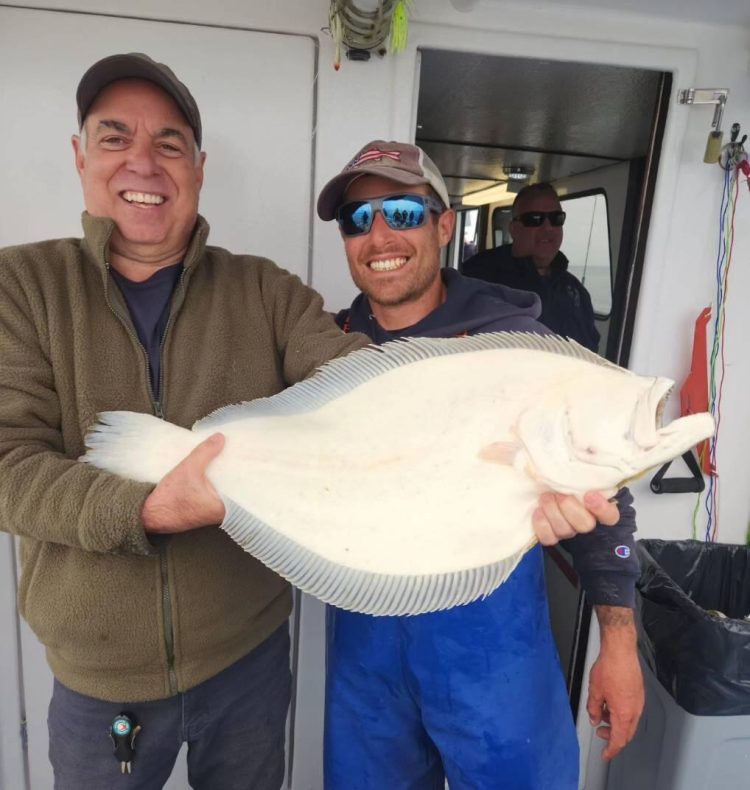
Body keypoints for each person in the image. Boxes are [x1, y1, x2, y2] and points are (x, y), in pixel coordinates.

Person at [0, 53, 368, 789]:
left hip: (248, 659)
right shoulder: (21, 286)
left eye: (169, 143)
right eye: (115, 137)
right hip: (100, 682)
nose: (143, 161)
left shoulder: (265, 289)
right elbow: (10, 465)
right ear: (79, 156)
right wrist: (145, 510)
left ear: (198, 169)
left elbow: (353, 384)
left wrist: (469, 403)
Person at [317, 140, 645, 790]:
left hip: (490, 647)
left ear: (443, 226)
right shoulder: (325, 351)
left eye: (402, 212)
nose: (379, 236)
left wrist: (619, 643)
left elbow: (605, 495)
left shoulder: (518, 348)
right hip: (367, 649)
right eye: (358, 219)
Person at [462, 182, 601, 351]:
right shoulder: (477, 279)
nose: (548, 227)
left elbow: (591, 349)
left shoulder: (576, 292)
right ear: (514, 229)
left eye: (556, 218)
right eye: (535, 219)